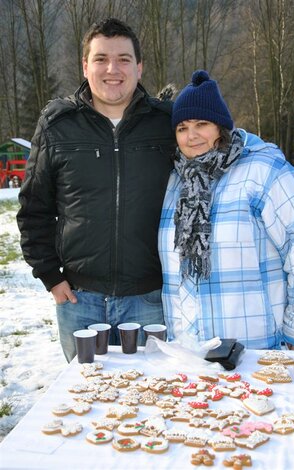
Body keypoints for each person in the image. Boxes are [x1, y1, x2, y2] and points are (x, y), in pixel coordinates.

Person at [17, 18, 175, 362]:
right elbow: (33, 208)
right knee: (86, 403)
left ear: (139, 67)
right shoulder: (56, 125)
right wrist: (50, 277)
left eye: (123, 59)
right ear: (85, 66)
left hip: (151, 298)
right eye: (101, 58)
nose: (112, 69)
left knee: (150, 402)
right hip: (79, 300)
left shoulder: (168, 124)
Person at [159, 69, 294, 350]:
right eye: (182, 128)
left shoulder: (265, 172)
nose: (191, 136)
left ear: (221, 126)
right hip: (189, 353)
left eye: (201, 124)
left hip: (253, 351)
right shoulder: (176, 182)